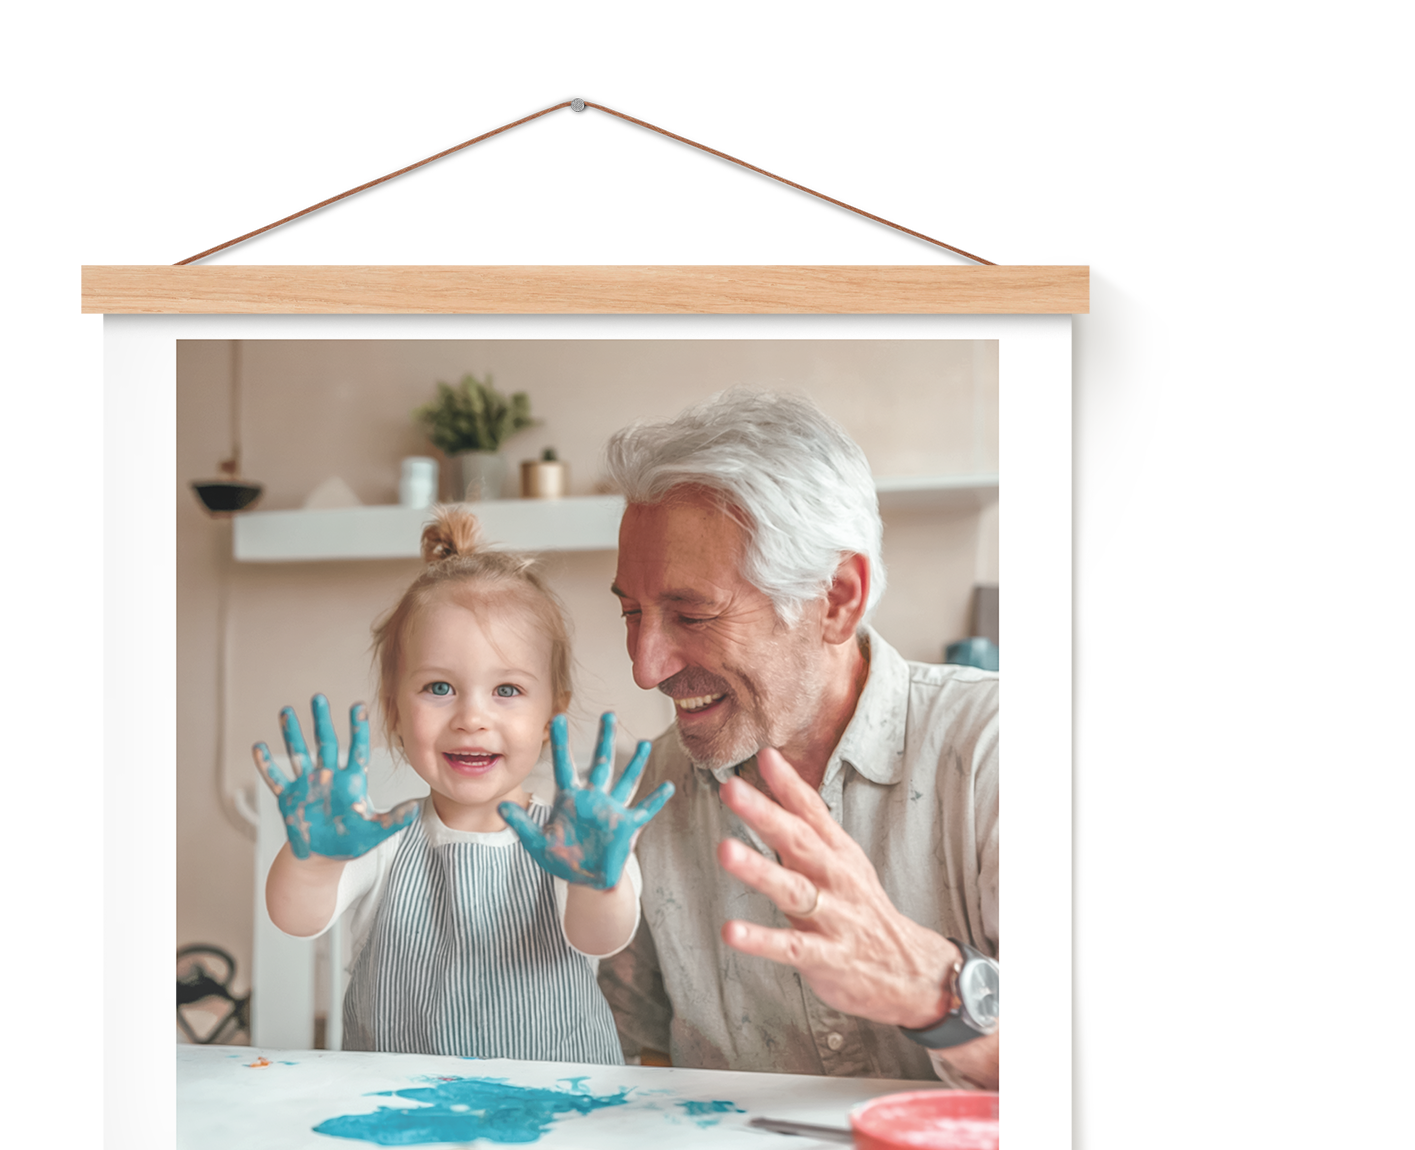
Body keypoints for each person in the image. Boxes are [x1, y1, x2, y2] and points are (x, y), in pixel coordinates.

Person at [596, 389, 1000, 1089]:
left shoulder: (1001, 750)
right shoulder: (649, 790)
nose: (645, 667)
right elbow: (628, 1055)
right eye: (633, 613)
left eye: (690, 615)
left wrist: (934, 991)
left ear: (837, 598)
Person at [257, 507, 672, 1063]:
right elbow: (294, 916)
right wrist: (314, 862)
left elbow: (601, 938)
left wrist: (600, 882)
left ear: (554, 712)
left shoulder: (573, 843)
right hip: (398, 1111)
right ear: (394, 711)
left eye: (507, 691)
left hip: (556, 1114)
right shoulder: (378, 842)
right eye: (438, 687)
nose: (472, 718)